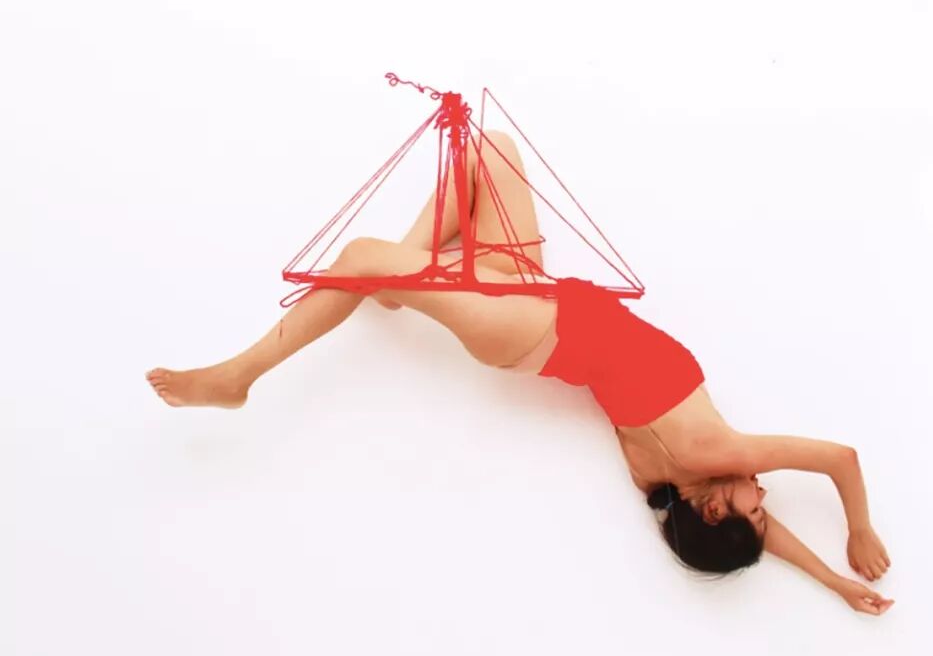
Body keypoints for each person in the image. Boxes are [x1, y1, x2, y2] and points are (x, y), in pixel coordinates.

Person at [146, 130, 894, 615]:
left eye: (755, 510)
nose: (766, 499)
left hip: (532, 325)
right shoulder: (666, 479)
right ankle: (401, 283)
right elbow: (769, 521)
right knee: (491, 152)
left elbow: (842, 458)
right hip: (543, 296)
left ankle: (240, 376)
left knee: (362, 256)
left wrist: (859, 528)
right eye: (763, 510)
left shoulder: (709, 454)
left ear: (713, 509)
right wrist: (834, 578)